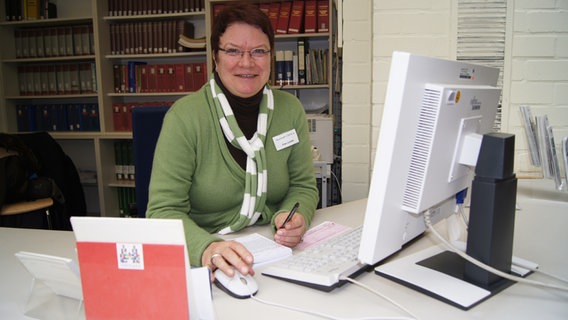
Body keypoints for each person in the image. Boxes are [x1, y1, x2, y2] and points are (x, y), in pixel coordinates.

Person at [146, 2, 319, 281]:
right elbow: (162, 211)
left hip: (271, 252)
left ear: (271, 57)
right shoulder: (185, 118)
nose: (247, 62)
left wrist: (293, 216)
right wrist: (206, 248)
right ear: (215, 56)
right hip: (208, 254)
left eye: (259, 51)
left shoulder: (290, 110)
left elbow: (303, 186)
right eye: (233, 50)